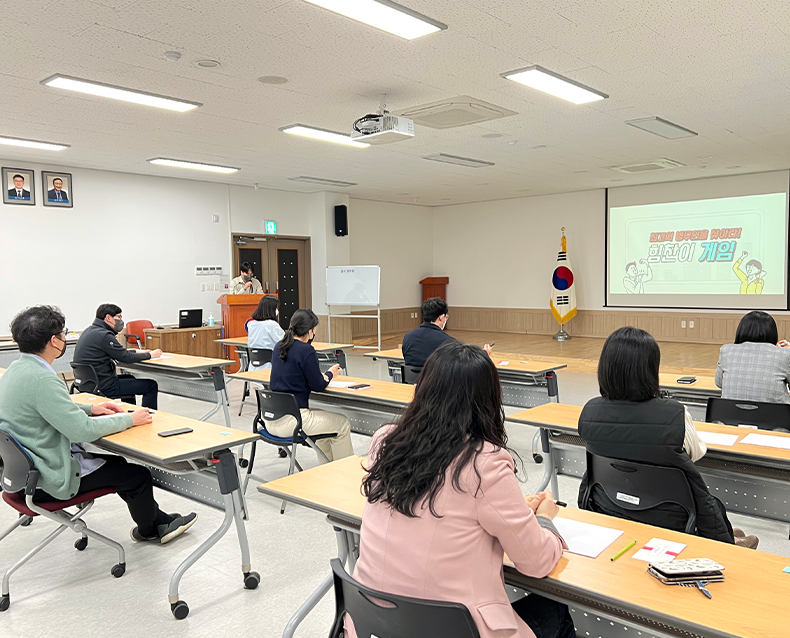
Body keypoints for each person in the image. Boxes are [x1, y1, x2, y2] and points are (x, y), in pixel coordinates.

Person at [348, 341, 573, 638]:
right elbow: (536, 561)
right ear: (489, 398)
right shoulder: (485, 463)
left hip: (375, 624)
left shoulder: (385, 440)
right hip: (452, 628)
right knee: (555, 609)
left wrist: (515, 512)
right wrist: (544, 519)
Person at [0, 305, 196, 543]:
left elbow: (44, 406)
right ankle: (150, 530)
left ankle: (158, 520)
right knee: (136, 475)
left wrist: (91, 408)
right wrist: (128, 419)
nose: (64, 338)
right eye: (63, 333)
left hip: (22, 476)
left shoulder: (15, 371)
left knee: (119, 465)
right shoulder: (42, 379)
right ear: (54, 341)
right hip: (49, 479)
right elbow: (81, 430)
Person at [578, 326, 758, 548]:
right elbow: (696, 453)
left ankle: (731, 536)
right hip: (670, 516)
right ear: (650, 370)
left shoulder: (590, 411)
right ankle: (731, 541)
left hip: (611, 504)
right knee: (713, 506)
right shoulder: (673, 413)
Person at [268, 309, 353, 462]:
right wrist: (330, 374)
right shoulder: (306, 350)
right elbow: (319, 385)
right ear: (310, 330)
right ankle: (345, 473)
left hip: (270, 419)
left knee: (325, 429)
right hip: (293, 421)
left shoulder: (279, 346)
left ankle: (327, 469)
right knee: (343, 424)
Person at [73, 304, 161, 409]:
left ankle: (131, 412)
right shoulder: (104, 335)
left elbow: (119, 352)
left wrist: (136, 351)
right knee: (151, 385)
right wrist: (150, 355)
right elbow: (125, 358)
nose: (120, 320)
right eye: (118, 317)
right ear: (108, 318)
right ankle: (149, 417)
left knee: (130, 378)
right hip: (104, 386)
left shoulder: (90, 331)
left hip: (88, 383)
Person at [716, 310, 790, 404]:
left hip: (731, 416)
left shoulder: (726, 350)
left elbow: (719, 383)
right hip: (775, 416)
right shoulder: (785, 354)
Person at [402, 297, 492, 368]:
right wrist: (484, 355)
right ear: (441, 317)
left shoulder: (408, 337)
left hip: (412, 384)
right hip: (437, 387)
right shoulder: (449, 342)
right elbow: (466, 365)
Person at [247, 294, 284, 370]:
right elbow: (285, 342)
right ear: (272, 309)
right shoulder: (272, 325)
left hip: (253, 367)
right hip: (270, 366)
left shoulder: (251, 324)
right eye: (276, 308)